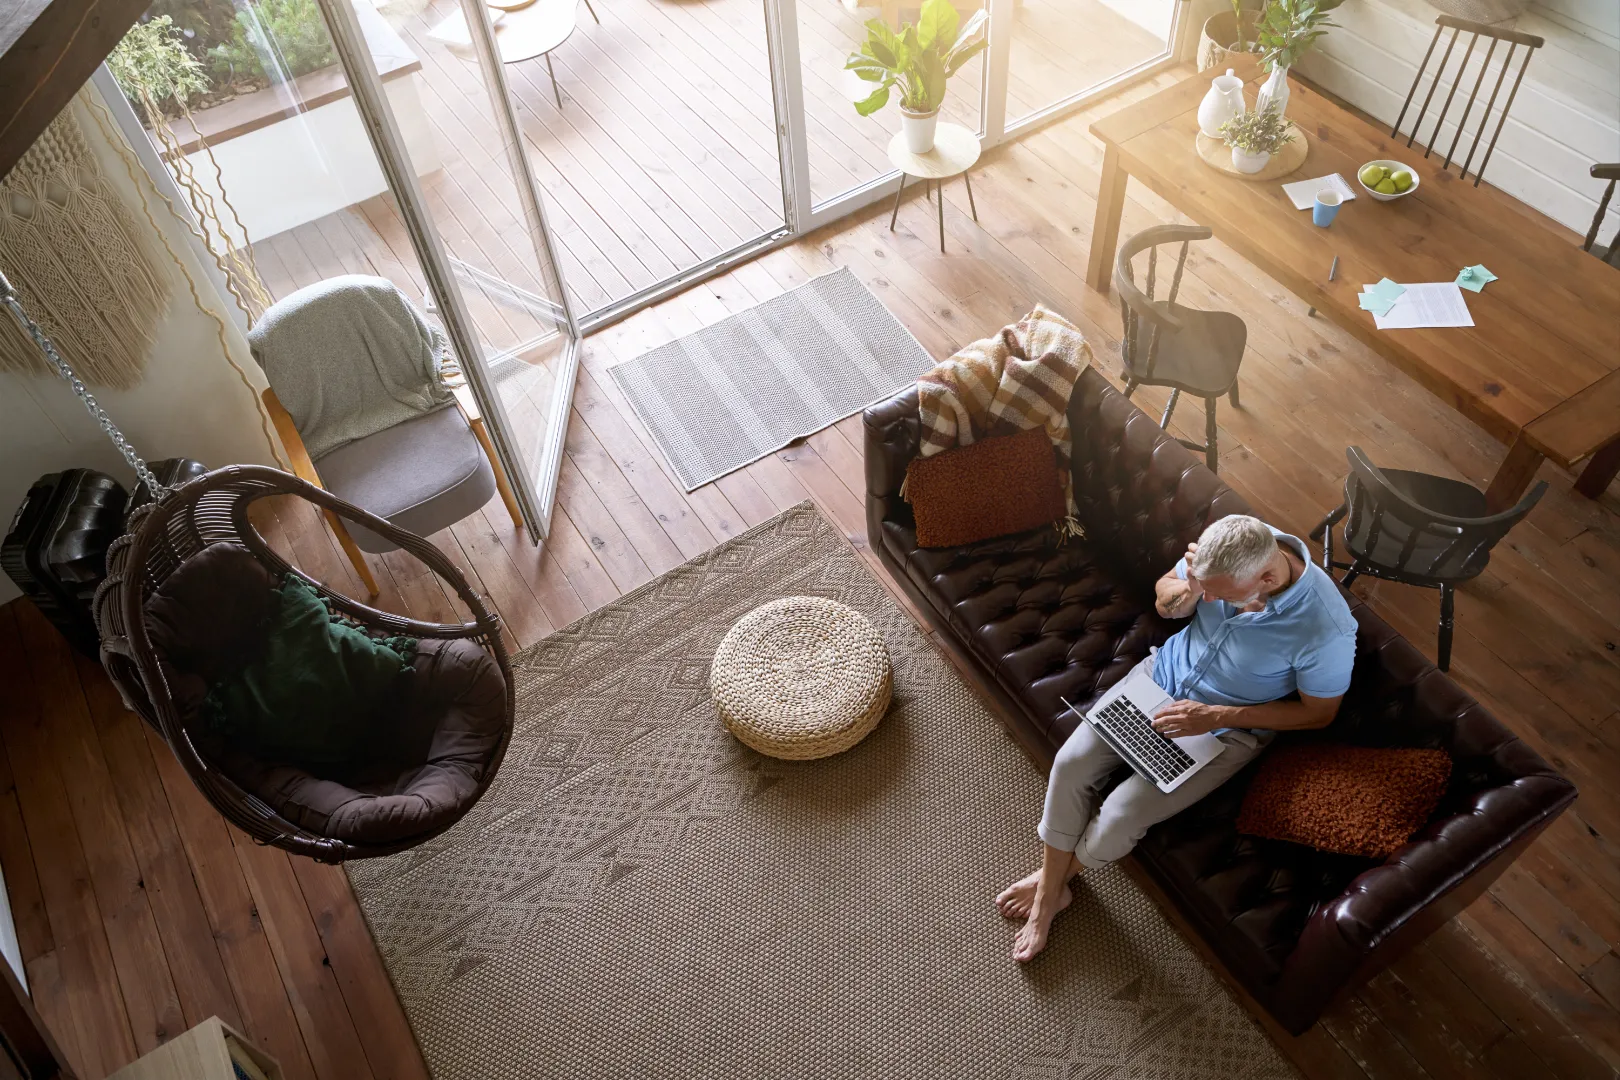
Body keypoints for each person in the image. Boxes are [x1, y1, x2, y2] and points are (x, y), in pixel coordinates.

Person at [996, 513, 1358, 962]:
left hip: (1226, 730)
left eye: (1220, 595)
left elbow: (1319, 714)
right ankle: (1054, 890)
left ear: (1266, 578)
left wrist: (1216, 715)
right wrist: (1185, 591)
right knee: (1070, 764)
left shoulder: (1327, 631)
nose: (1209, 599)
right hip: (1158, 681)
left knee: (1121, 815)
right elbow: (1166, 595)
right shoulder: (1229, 540)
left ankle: (1049, 890)